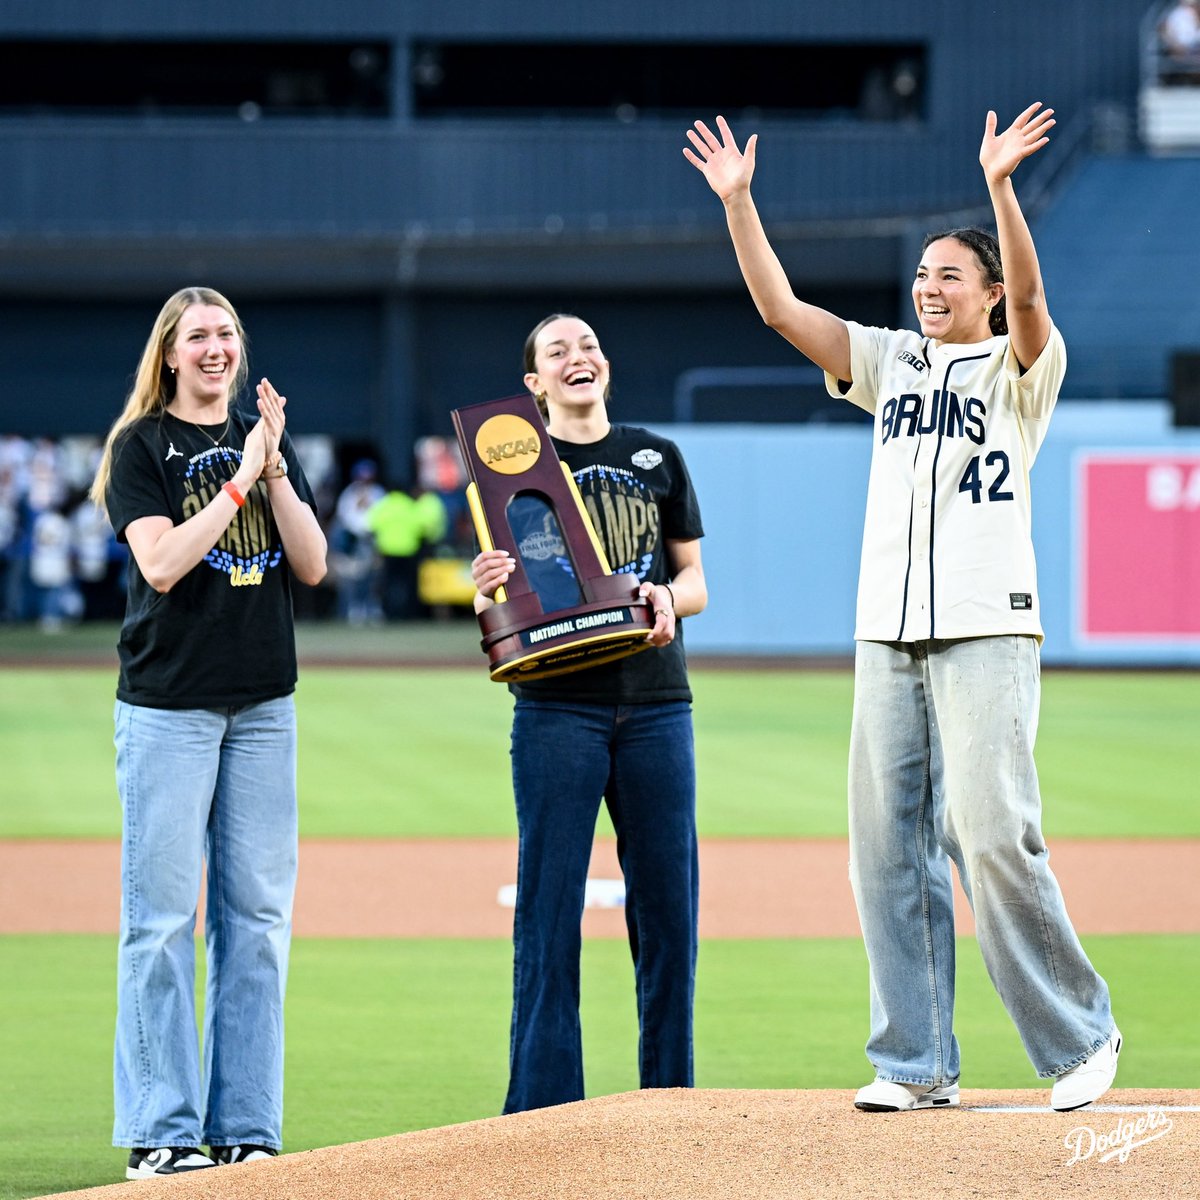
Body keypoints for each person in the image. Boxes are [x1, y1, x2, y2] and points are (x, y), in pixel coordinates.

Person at [685, 105, 1120, 1113]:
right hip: (886, 631)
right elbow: (783, 312)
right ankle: (915, 1062)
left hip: (987, 626)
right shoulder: (891, 362)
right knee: (886, 847)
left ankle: (1079, 1037)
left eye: (949, 276)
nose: (929, 288)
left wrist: (1001, 188)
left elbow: (1036, 299)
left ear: (990, 293)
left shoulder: (1022, 371)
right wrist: (740, 205)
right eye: (922, 276)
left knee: (990, 831)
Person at [90, 286, 327, 1177]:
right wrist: (239, 476)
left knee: (257, 921)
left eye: (227, 333)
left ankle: (247, 1127)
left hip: (264, 702)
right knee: (160, 922)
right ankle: (162, 1132)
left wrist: (270, 465)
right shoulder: (140, 446)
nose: (217, 348)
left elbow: (311, 563)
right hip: (167, 705)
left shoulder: (268, 445)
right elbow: (160, 561)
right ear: (169, 354)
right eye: (199, 336)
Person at [471, 313, 708, 1114]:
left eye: (591, 346)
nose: (581, 358)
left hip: (655, 707)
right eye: (558, 352)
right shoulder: (505, 481)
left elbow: (696, 583)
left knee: (669, 915)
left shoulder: (657, 458)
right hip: (557, 709)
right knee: (548, 914)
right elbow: (497, 602)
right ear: (534, 385)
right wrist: (487, 584)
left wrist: (667, 598)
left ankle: (669, 1104)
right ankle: (542, 1113)